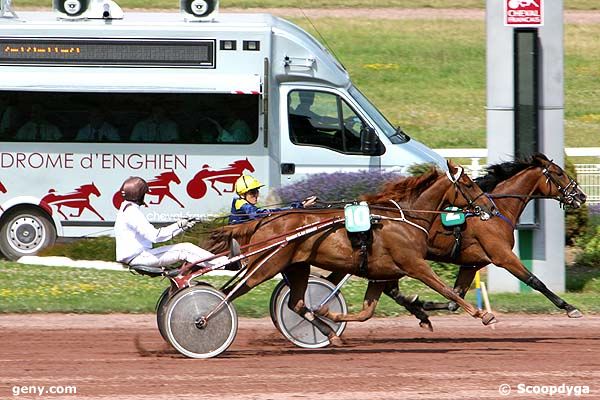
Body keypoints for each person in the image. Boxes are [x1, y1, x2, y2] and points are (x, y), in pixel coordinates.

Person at [115, 176, 233, 269]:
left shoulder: (126, 209)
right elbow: (156, 236)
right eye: (144, 194)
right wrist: (179, 225)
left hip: (139, 256)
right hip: (139, 257)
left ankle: (222, 263)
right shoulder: (132, 212)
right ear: (139, 195)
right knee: (185, 249)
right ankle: (225, 264)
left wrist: (182, 227)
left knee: (185, 249)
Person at [228, 174, 316, 224]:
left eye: (257, 191)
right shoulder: (241, 203)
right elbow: (257, 215)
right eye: (252, 193)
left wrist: (299, 205)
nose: (256, 195)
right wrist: (297, 207)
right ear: (243, 195)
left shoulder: (243, 202)